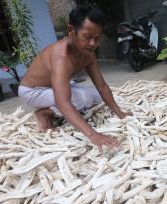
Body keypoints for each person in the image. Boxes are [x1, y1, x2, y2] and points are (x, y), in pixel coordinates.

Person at [18, 6, 131, 150]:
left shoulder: (88, 53)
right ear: (71, 30)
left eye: (97, 38)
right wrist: (93, 135)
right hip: (33, 91)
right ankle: (44, 114)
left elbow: (102, 86)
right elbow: (63, 102)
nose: (93, 44)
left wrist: (120, 113)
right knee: (82, 98)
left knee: (96, 96)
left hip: (53, 86)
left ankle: (54, 109)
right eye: (87, 37)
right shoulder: (61, 56)